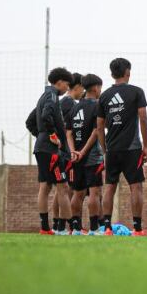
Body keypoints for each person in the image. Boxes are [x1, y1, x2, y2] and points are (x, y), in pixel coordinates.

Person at [97, 58, 147, 236]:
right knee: (136, 186)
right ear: (128, 72)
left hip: (112, 148)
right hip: (132, 148)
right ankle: (138, 228)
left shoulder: (104, 96)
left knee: (110, 187)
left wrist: (104, 149)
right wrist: (146, 146)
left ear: (112, 74)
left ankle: (107, 228)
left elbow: (99, 126)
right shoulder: (136, 92)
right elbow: (143, 118)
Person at [34, 67, 73, 235]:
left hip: (41, 147)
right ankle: (71, 228)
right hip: (50, 150)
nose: (67, 88)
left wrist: (41, 135)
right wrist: (51, 135)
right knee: (63, 187)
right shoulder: (52, 96)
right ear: (60, 82)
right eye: (67, 85)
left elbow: (31, 120)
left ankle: (45, 228)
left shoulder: (44, 96)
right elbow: (45, 116)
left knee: (45, 187)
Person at [65, 74, 104, 235]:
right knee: (95, 192)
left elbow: (68, 132)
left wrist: (73, 151)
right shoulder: (97, 106)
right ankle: (94, 228)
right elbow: (97, 131)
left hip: (75, 157)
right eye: (100, 87)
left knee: (78, 193)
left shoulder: (75, 107)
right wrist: (83, 151)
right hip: (92, 156)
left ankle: (75, 228)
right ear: (95, 88)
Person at [56, 72, 83, 233]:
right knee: (65, 189)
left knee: (62, 189)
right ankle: (65, 225)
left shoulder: (63, 102)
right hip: (65, 153)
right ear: (78, 87)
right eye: (82, 89)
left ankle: (57, 225)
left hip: (63, 151)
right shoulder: (69, 103)